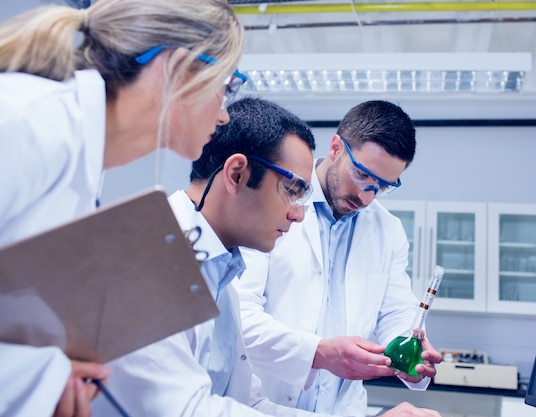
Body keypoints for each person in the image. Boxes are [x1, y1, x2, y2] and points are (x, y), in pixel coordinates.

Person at [92, 97, 441, 417]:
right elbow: (186, 409)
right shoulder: (151, 258)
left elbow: (249, 404)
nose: (299, 213)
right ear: (236, 174)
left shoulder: (221, 272)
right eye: (291, 191)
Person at [0, 0, 244, 415]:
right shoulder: (25, 124)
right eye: (228, 84)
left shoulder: (79, 156)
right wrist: (44, 377)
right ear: (178, 68)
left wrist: (51, 374)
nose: (223, 114)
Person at [233, 100, 444, 416]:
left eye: (383, 187)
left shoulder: (388, 230)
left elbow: (396, 311)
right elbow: (239, 316)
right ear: (335, 148)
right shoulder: (275, 204)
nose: (367, 196)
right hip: (263, 405)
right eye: (361, 175)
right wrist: (318, 353)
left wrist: (408, 351)